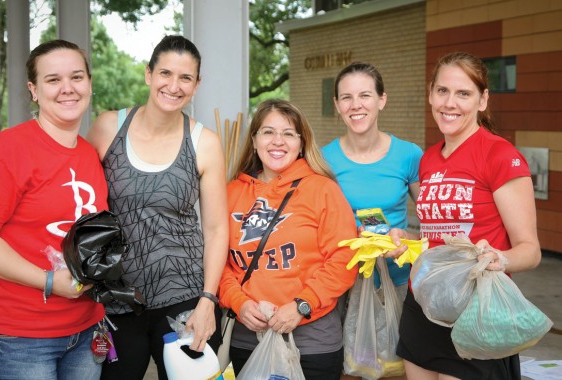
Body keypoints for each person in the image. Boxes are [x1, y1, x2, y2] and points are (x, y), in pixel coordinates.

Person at [0, 39, 107, 379]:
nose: (67, 88)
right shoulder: (4, 150)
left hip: (85, 332)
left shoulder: (89, 154)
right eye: (53, 80)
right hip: (15, 337)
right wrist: (49, 281)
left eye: (77, 77)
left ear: (89, 84)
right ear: (34, 91)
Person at [87, 35, 228, 380]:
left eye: (185, 78)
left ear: (196, 84)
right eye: (165, 73)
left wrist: (208, 301)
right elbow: (84, 208)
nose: (174, 86)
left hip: (184, 299)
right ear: (149, 74)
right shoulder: (109, 127)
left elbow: (215, 228)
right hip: (117, 298)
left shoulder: (204, 143)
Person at [392, 51, 541, 379]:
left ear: (483, 100)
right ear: (431, 94)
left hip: (476, 311)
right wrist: (412, 239)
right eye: (443, 91)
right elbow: (441, 235)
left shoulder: (500, 155)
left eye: (464, 93)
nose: (450, 103)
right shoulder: (429, 159)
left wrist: (500, 259)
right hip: (424, 305)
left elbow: (530, 250)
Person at [219, 99, 358, 380]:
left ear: (301, 142)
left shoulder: (323, 190)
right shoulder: (232, 191)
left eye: (288, 133)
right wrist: (238, 302)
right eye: (268, 132)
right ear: (255, 139)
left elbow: (344, 259)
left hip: (312, 343)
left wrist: (301, 305)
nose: (277, 141)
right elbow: (217, 261)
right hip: (247, 340)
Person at [322, 61, 422, 380]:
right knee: (349, 369)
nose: (356, 105)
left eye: (365, 95)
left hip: (397, 281)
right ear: (337, 105)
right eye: (346, 98)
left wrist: (407, 237)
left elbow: (433, 219)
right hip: (343, 284)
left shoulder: (409, 155)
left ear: (382, 99)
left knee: (397, 368)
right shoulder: (322, 159)